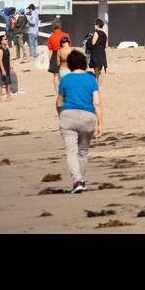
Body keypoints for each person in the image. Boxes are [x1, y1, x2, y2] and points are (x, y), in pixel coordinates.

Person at [56, 49, 103, 194]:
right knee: (83, 151)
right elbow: (97, 103)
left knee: (71, 151)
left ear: (69, 64)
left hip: (68, 116)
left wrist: (61, 115)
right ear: (84, 63)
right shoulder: (91, 79)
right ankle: (80, 179)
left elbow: (58, 103)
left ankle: (77, 181)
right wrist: (100, 124)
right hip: (88, 117)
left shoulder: (65, 79)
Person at [47, 20, 72, 96]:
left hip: (55, 54)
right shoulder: (66, 35)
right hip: (65, 54)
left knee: (56, 75)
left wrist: (50, 60)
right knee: (66, 74)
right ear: (60, 26)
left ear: (53, 27)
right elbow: (69, 46)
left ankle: (57, 92)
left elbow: (50, 51)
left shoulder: (51, 37)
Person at [0, 35, 12, 101]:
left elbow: (9, 59)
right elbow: (0, 61)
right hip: (0, 69)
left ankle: (9, 96)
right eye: (5, 39)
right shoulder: (0, 50)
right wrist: (3, 70)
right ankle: (0, 98)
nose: (7, 40)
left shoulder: (7, 49)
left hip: (7, 68)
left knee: (8, 82)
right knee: (0, 83)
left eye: (6, 39)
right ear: (1, 41)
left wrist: (11, 67)